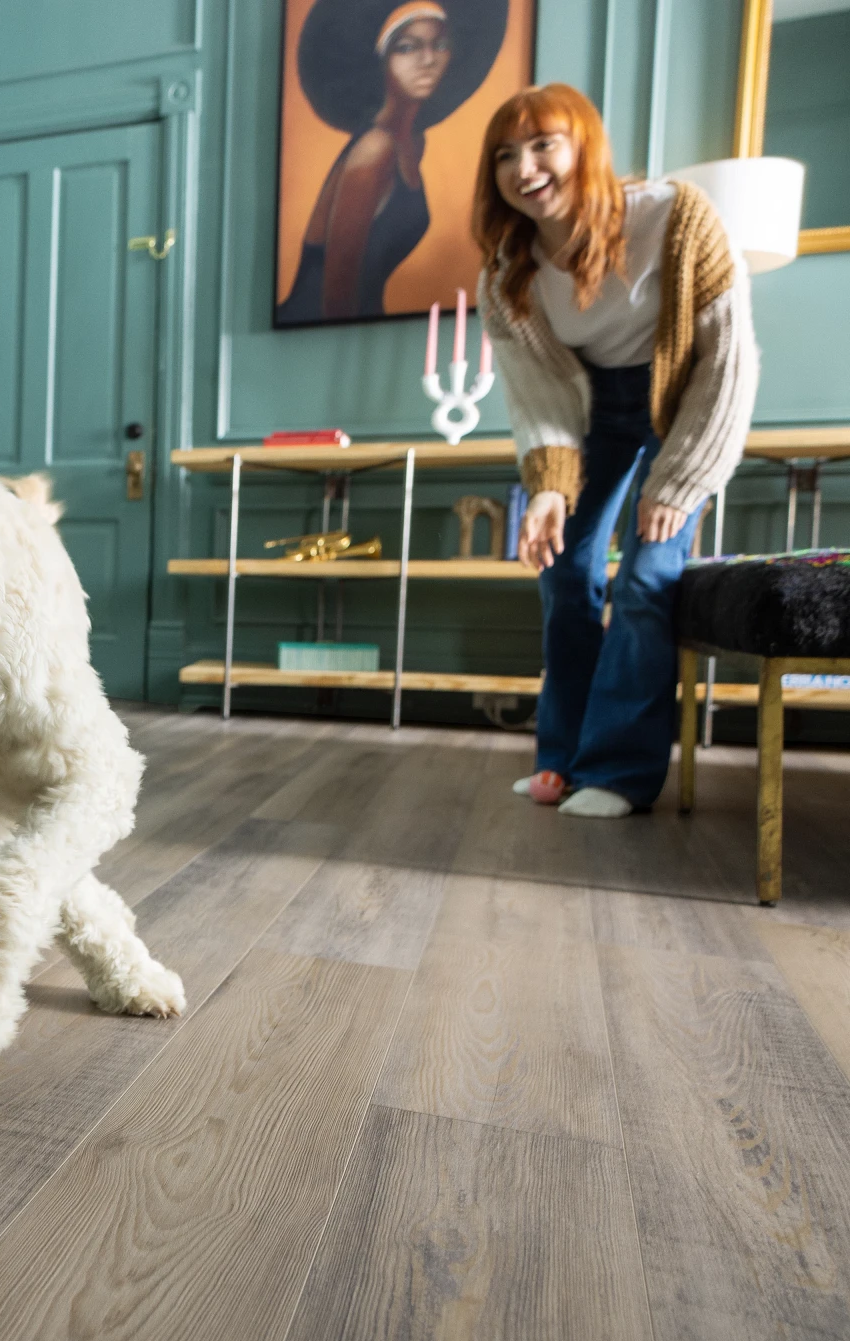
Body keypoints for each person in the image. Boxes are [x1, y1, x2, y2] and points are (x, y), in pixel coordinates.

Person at [475, 84, 758, 816]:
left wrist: (681, 478)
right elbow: (540, 399)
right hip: (591, 411)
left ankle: (619, 774)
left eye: (543, 145)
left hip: (681, 402)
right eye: (506, 154)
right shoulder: (508, 275)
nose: (524, 166)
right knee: (563, 572)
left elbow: (727, 360)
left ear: (585, 145)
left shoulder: (677, 217)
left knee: (646, 577)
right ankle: (563, 761)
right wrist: (547, 489)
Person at [278, 0, 506, 324]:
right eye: (407, 47)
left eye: (439, 45)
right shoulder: (376, 148)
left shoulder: (412, 143)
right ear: (382, 60)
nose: (427, 60)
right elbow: (338, 291)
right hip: (321, 335)